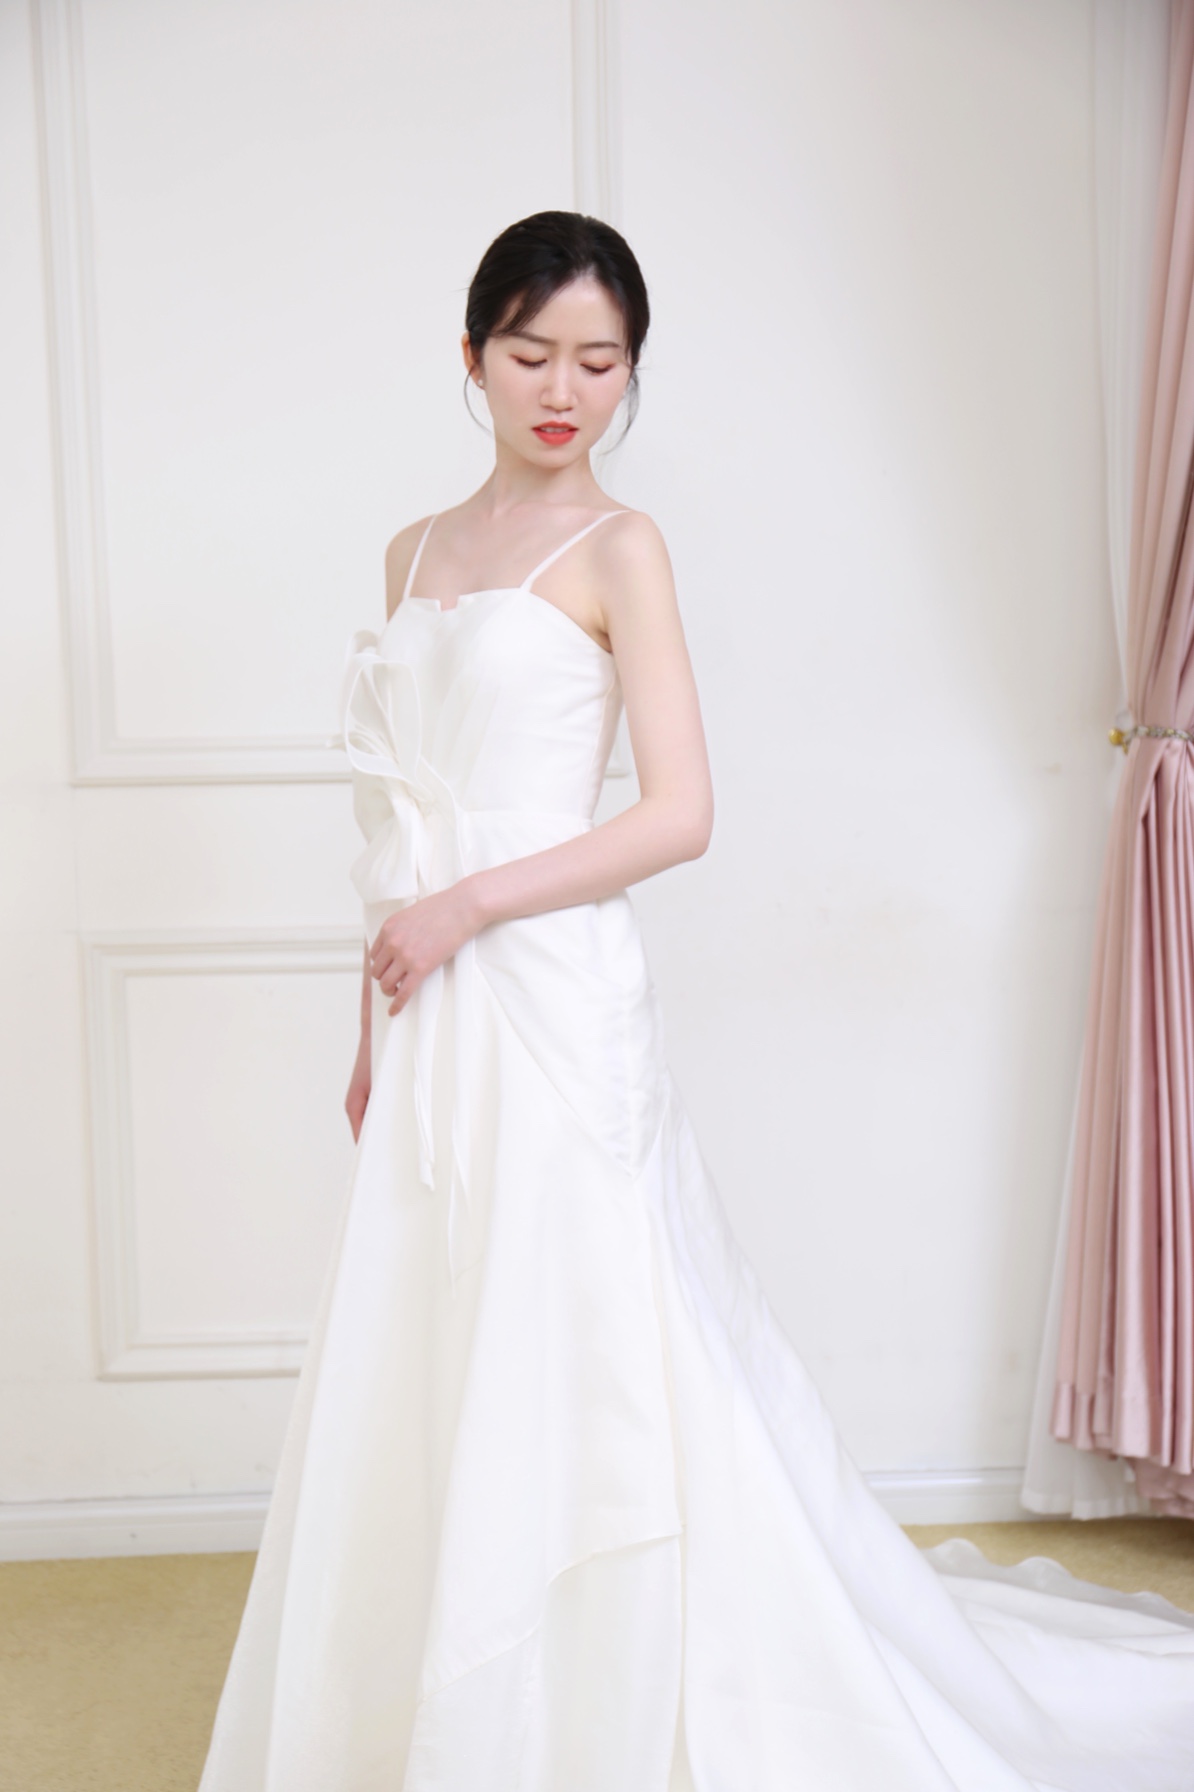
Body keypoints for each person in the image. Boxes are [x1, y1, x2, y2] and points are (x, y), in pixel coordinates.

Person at [198, 211, 1194, 1792]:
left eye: (599, 362)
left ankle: (617, 1694)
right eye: (531, 353)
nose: (563, 390)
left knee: (592, 1331)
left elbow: (679, 814)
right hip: (432, 1003)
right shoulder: (410, 552)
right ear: (471, 356)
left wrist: (471, 907)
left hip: (550, 991)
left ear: (629, 373)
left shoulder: (621, 549)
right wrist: (368, 1023)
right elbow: (397, 819)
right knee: (440, 1331)